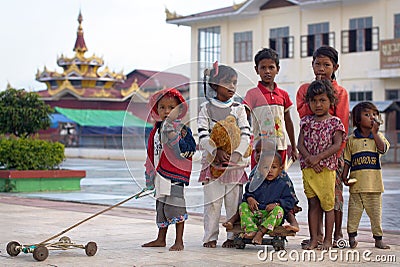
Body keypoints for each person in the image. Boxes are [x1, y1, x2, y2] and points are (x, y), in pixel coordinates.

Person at [296, 45, 349, 248]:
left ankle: (336, 234)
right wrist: (311, 157)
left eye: (326, 65)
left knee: (334, 194)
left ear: (335, 67)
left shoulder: (340, 92)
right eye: (317, 64)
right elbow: (304, 115)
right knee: (314, 197)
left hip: (332, 153)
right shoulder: (304, 89)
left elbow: (341, 120)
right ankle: (315, 235)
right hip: (311, 151)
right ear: (312, 65)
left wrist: (335, 157)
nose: (321, 68)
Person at [198, 62, 251, 248]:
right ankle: (210, 237)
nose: (232, 87)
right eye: (227, 82)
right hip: (213, 165)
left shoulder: (239, 108)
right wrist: (215, 151)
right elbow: (203, 135)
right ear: (214, 84)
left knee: (233, 204)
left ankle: (232, 237)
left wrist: (236, 154)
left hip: (235, 166)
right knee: (212, 203)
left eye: (234, 83)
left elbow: (246, 133)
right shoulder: (206, 108)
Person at [142, 88, 196, 251]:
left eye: (171, 107)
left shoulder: (183, 130)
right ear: (156, 110)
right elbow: (151, 154)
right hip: (160, 176)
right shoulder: (155, 131)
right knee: (161, 207)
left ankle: (179, 240)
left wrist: (175, 138)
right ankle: (161, 238)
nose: (166, 111)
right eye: (162, 107)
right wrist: (149, 175)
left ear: (179, 110)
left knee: (176, 206)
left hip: (174, 176)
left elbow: (190, 150)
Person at [223, 139, 300, 233]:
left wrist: (283, 204)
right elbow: (249, 191)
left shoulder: (282, 178)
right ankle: (243, 226)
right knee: (243, 206)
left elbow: (289, 196)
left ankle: (294, 224)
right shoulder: (255, 173)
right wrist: (250, 198)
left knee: (287, 210)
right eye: (258, 151)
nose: (260, 154)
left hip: (275, 208)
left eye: (264, 151)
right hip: (257, 209)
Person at [342, 102, 391, 249]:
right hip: (356, 187)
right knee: (353, 214)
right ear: (357, 120)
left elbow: (382, 150)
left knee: (376, 215)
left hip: (374, 187)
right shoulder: (351, 140)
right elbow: (347, 161)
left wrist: (375, 133)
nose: (372, 118)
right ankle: (351, 237)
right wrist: (344, 176)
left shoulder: (378, 137)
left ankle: (378, 239)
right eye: (367, 115)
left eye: (374, 114)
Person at [244, 48, 298, 169]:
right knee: (258, 181)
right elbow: (243, 119)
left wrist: (293, 148)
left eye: (271, 67)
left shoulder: (283, 95)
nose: (267, 71)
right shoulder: (252, 94)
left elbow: (288, 122)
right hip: (260, 149)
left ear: (277, 69)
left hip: (280, 147)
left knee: (279, 181)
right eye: (263, 68)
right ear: (256, 70)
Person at [239, 153, 295, 244]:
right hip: (255, 215)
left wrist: (277, 204)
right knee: (243, 206)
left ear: (280, 169)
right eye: (266, 167)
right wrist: (250, 198)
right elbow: (248, 193)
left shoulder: (283, 185)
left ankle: (260, 233)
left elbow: (289, 201)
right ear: (260, 168)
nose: (270, 171)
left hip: (270, 218)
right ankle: (251, 229)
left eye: (273, 167)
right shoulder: (256, 182)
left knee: (279, 210)